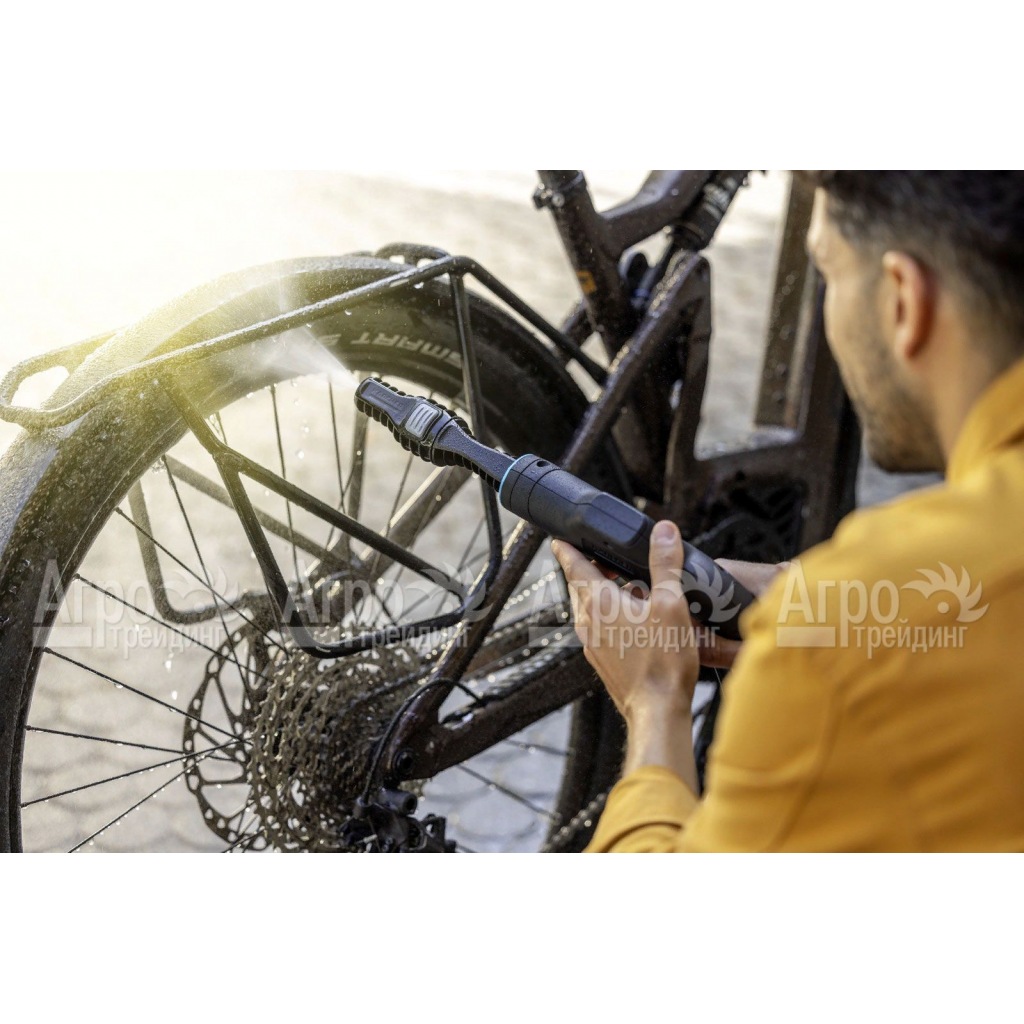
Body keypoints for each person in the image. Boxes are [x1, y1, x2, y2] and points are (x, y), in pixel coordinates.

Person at [552, 171, 1024, 852]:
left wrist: (653, 702)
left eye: (827, 272)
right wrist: (829, 598)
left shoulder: (839, 674)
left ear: (903, 302)